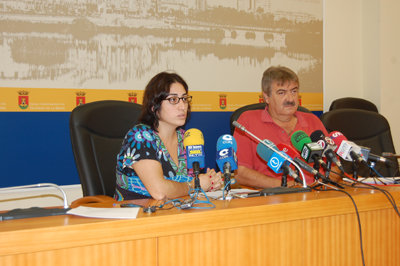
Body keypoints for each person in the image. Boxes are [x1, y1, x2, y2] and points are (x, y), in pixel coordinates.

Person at [114, 72, 223, 201]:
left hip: (176, 212)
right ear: (154, 106)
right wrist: (196, 184)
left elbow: (189, 183)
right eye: (173, 100)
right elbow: (159, 192)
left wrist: (210, 180)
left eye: (184, 99)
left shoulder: (186, 138)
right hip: (138, 216)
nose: (182, 106)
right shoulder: (141, 137)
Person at [233, 66, 340, 188]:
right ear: (266, 97)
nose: (290, 99)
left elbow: (335, 166)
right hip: (272, 197)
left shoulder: (312, 120)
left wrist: (319, 184)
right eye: (281, 92)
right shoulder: (248, 121)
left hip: (317, 193)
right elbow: (240, 173)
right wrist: (286, 186)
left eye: (294, 91)